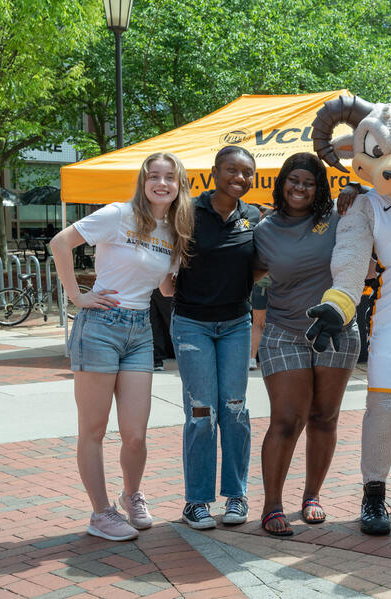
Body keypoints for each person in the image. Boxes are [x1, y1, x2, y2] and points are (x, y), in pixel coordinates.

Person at [49, 152, 194, 541]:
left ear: (180, 184)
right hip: (100, 325)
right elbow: (60, 242)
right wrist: (76, 297)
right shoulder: (117, 214)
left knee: (135, 433)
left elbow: (165, 287)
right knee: (93, 429)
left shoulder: (175, 232)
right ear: (143, 182)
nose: (161, 183)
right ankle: (100, 513)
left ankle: (132, 496)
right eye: (153, 176)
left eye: (169, 177)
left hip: (139, 330)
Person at [254, 153, 361, 536]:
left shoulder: (338, 217)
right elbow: (246, 275)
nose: (299, 188)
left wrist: (355, 186)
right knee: (286, 420)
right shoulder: (263, 230)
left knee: (323, 418)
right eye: (293, 180)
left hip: (337, 330)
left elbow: (376, 196)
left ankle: (312, 495)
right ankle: (272, 505)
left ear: (319, 188)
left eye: (308, 182)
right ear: (282, 182)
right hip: (284, 330)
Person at [166, 146, 261, 530]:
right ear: (214, 172)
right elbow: (163, 256)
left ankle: (236, 495)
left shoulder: (253, 216)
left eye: (246, 172)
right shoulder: (186, 211)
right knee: (202, 413)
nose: (239, 177)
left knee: (235, 410)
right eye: (231, 170)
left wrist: (234, 287)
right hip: (192, 323)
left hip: (236, 324)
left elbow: (260, 264)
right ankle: (197, 502)